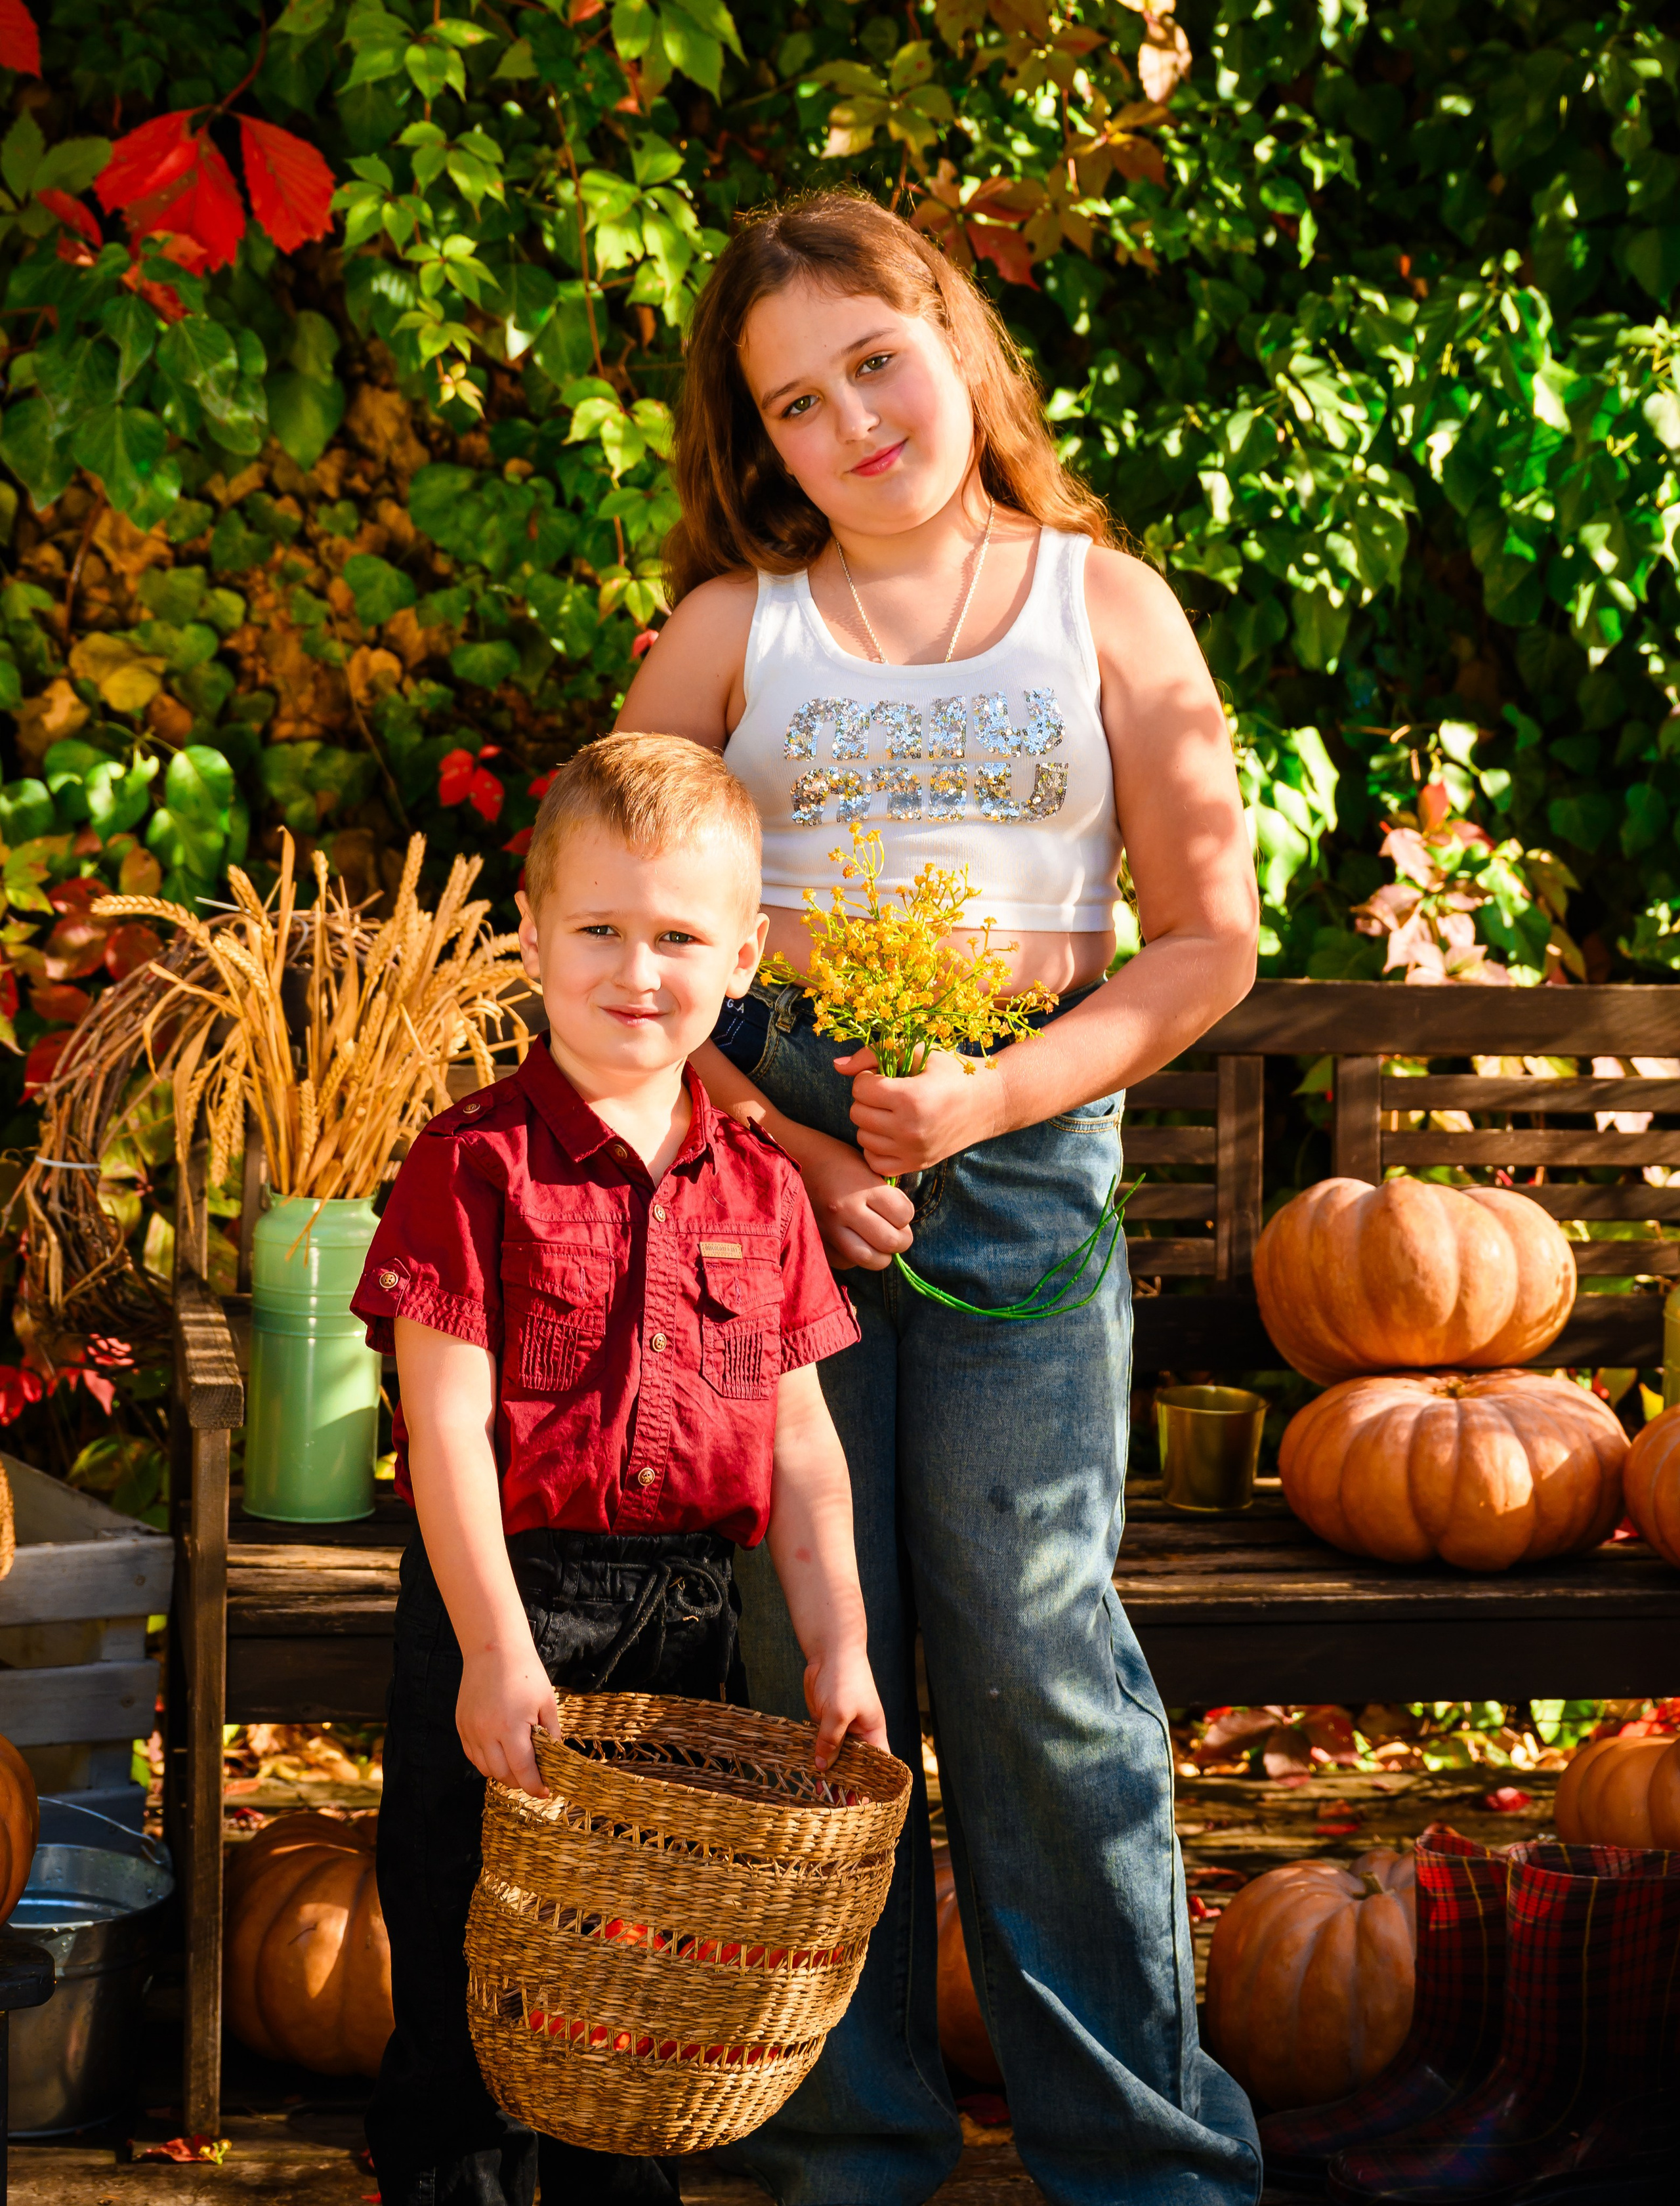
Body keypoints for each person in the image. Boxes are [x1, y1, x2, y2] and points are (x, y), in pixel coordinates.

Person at [616, 192, 1262, 2206]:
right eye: (794, 405)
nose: (853, 423)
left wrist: (994, 1092)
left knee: (1034, 1648)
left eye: (874, 362)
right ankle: (852, 2148)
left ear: (958, 340)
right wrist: (786, 1145)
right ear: (758, 445)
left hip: (1019, 1148)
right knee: (811, 1655)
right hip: (767, 1164)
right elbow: (619, 944)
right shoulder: (734, 634)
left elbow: (1207, 939)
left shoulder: (1106, 609)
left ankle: (1145, 2159)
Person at [352, 732, 888, 2206]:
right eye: (598, 928)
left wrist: (838, 1642)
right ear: (531, 937)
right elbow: (443, 1429)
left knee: (637, 1970)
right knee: (469, 1941)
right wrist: (493, 1653)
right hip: (507, 1600)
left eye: (678, 938)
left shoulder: (764, 1189)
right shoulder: (472, 1164)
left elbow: (802, 1444)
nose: (635, 971)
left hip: (684, 1623)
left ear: (743, 959)